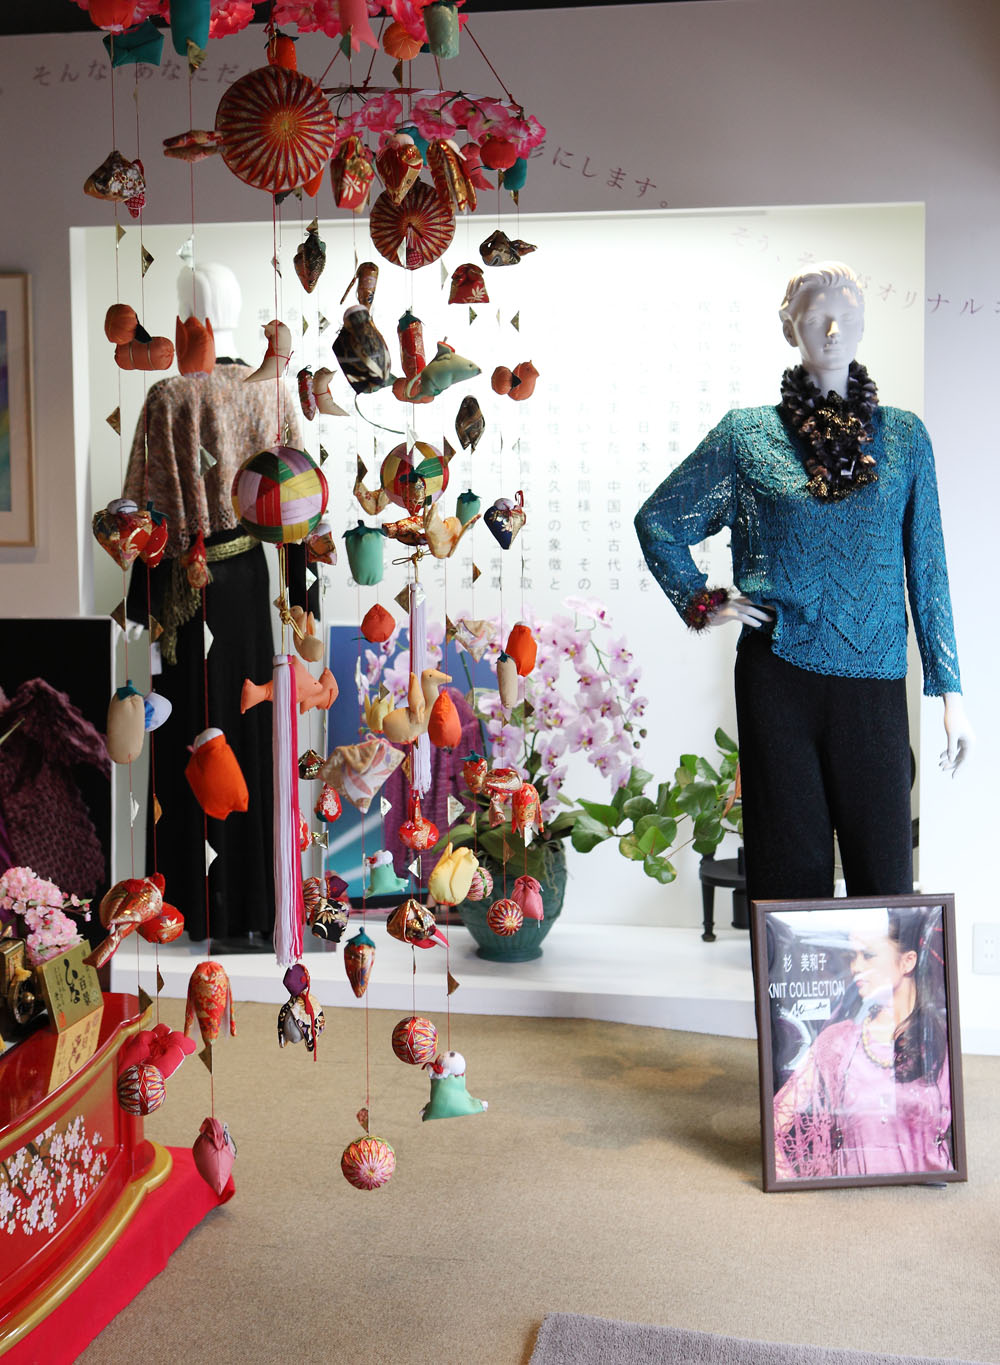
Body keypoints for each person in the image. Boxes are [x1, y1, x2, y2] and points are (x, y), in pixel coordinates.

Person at [634, 262, 973, 904]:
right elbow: (660, 520)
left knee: (884, 871)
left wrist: (949, 691)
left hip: (874, 674)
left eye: (847, 315)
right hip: (777, 673)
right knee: (790, 868)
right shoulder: (747, 436)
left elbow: (927, 565)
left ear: (865, 324)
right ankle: (792, 975)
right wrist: (704, 601)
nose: (833, 330)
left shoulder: (904, 438)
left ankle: (884, 976)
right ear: (790, 328)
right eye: (816, 316)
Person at [124, 263, 302, 949]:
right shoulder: (271, 388)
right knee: (248, 726)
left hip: (188, 580)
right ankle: (255, 906)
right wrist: (302, 595)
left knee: (192, 727)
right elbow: (299, 495)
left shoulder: (168, 396)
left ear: (183, 316)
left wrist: (139, 605)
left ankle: (192, 908)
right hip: (249, 577)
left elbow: (140, 507)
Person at [770, 906, 952, 1179]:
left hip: (925, 1191)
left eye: (868, 955)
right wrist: (790, 1183)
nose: (856, 967)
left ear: (907, 961)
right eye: (852, 956)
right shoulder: (840, 1042)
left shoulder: (939, 1039)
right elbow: (774, 1122)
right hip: (854, 1191)